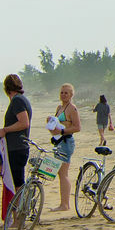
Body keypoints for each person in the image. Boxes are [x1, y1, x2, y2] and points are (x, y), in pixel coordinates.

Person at [0, 73, 34, 219]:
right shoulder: (20, 100)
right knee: (18, 181)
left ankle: (19, 217)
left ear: (6, 88)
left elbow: (24, 123)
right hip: (18, 147)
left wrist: (5, 130)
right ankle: (18, 214)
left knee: (17, 183)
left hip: (17, 148)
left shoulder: (17, 101)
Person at [49, 83, 82, 212]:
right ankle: (63, 203)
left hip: (66, 142)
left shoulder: (72, 108)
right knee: (60, 173)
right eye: (62, 92)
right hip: (58, 142)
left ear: (71, 95)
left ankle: (65, 204)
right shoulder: (59, 107)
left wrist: (62, 132)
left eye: (66, 93)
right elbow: (56, 125)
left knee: (63, 173)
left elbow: (77, 127)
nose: (63, 95)